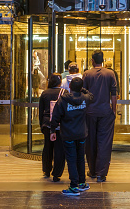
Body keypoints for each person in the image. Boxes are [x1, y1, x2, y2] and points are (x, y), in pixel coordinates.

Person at [50, 77, 94, 196]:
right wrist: (82, 89)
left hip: (68, 134)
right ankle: (82, 183)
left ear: (69, 87)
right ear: (80, 88)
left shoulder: (63, 100)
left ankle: (74, 186)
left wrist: (52, 130)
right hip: (81, 134)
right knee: (80, 158)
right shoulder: (85, 98)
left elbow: (55, 116)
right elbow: (91, 95)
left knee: (71, 159)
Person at [82, 50, 117, 182]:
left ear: (92, 60)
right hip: (105, 112)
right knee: (104, 142)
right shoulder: (110, 73)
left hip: (89, 112)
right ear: (103, 60)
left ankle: (92, 170)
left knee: (90, 141)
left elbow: (83, 93)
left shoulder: (87, 74)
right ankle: (101, 174)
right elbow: (114, 93)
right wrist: (114, 110)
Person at [39, 73, 66, 181]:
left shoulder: (45, 93)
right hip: (60, 124)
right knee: (59, 149)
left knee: (47, 147)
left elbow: (41, 111)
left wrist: (42, 124)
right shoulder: (64, 93)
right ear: (60, 82)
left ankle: (46, 170)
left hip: (47, 123)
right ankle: (57, 173)